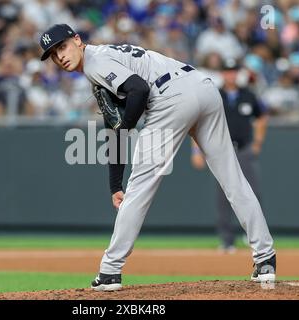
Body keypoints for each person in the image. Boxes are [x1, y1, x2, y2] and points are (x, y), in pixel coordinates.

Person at [39, 23, 276, 291]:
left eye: (62, 47)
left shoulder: (96, 62)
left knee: (139, 188)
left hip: (171, 98)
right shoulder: (104, 60)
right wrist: (115, 184)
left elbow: (138, 91)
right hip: (204, 88)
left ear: (77, 40)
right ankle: (265, 259)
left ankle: (110, 271)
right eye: (53, 54)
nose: (60, 56)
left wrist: (127, 124)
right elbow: (115, 130)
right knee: (233, 179)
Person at [191, 59, 269, 253]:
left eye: (234, 71)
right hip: (222, 152)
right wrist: (196, 150)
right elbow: (198, 121)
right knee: (224, 196)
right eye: (227, 71)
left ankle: (254, 236)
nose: (231, 75)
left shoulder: (248, 95)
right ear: (222, 74)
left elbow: (262, 117)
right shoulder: (214, 93)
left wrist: (258, 142)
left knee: (253, 192)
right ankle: (227, 240)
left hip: (244, 148)